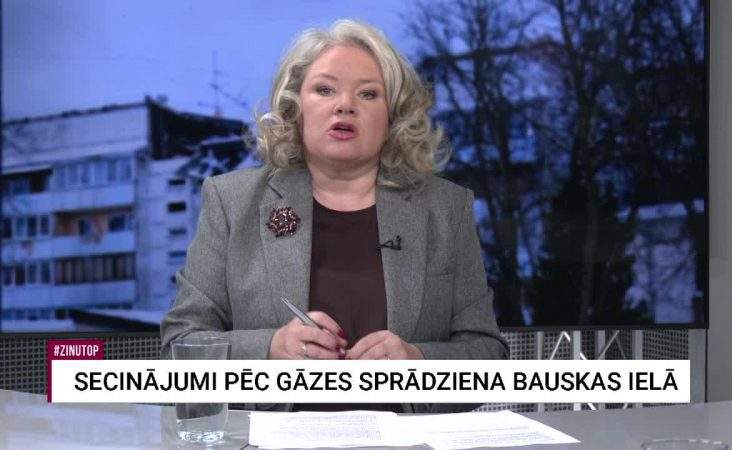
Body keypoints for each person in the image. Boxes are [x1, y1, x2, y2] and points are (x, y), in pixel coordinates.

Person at [160, 19, 508, 414]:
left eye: (368, 93)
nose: (345, 105)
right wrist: (268, 350)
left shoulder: (445, 208)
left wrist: (419, 363)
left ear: (393, 116)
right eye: (325, 90)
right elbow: (178, 352)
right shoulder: (231, 202)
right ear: (296, 108)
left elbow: (488, 357)